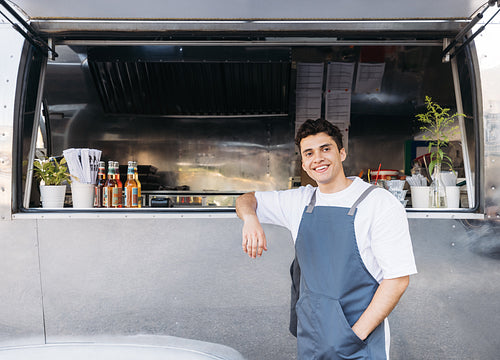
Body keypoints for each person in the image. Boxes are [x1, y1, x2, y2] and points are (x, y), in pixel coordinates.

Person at [235, 118, 417, 360]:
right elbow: (246, 199)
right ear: (304, 163)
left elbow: (397, 280)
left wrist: (353, 337)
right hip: (312, 341)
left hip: (358, 345)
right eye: (309, 153)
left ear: (341, 153)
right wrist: (250, 219)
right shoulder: (300, 201)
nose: (317, 158)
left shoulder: (378, 204)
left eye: (326, 149)